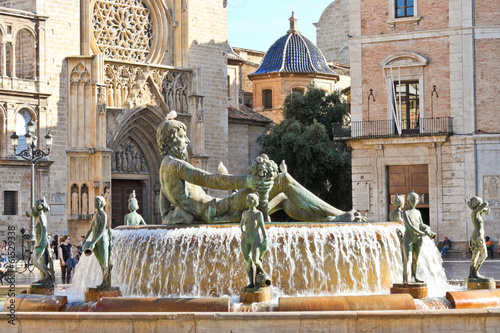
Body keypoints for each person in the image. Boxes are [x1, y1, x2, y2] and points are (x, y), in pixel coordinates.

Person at [157, 114, 365, 224]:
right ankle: (339, 215)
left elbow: (164, 210)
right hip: (220, 210)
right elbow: (211, 179)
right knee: (283, 180)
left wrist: (176, 218)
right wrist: (247, 181)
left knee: (283, 199)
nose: (187, 142)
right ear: (173, 140)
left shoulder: (164, 168)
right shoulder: (176, 165)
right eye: (184, 137)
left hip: (215, 210)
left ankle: (327, 220)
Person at [398, 191, 436, 284]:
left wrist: (427, 228)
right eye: (411, 199)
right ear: (408, 200)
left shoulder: (418, 212)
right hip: (409, 239)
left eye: (415, 199)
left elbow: (420, 224)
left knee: (416, 259)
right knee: (408, 259)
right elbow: (410, 227)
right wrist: (422, 233)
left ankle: (414, 277)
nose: (413, 201)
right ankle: (406, 279)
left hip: (418, 239)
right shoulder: (405, 212)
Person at [83, 196, 113, 289]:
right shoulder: (95, 215)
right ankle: (104, 282)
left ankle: (107, 283)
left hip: (102, 241)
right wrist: (85, 239)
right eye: (95, 201)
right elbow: (91, 229)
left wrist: (93, 242)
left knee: (105, 263)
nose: (95, 203)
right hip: (95, 242)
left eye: (97, 201)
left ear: (101, 203)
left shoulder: (103, 215)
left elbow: (102, 230)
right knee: (101, 263)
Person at [240, 193, 268, 289]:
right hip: (245, 239)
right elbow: (241, 225)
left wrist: (266, 239)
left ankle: (263, 272)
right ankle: (251, 283)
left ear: (255, 201)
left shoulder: (258, 214)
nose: (248, 201)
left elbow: (263, 228)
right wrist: (243, 232)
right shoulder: (244, 214)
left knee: (255, 260)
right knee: (248, 261)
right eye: (247, 199)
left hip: (255, 239)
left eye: (250, 199)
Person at [26, 198, 55, 286]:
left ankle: (48, 273)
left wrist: (40, 243)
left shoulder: (42, 217)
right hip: (40, 242)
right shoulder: (39, 217)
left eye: (35, 206)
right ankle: (43, 279)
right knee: (41, 261)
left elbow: (44, 230)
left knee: (33, 261)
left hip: (41, 243)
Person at [467, 196, 489, 279]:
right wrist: (482, 208)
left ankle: (471, 273)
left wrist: (482, 210)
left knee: (475, 256)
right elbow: (485, 204)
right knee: (484, 255)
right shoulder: (475, 212)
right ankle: (475, 272)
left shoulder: (475, 212)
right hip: (478, 236)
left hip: (475, 236)